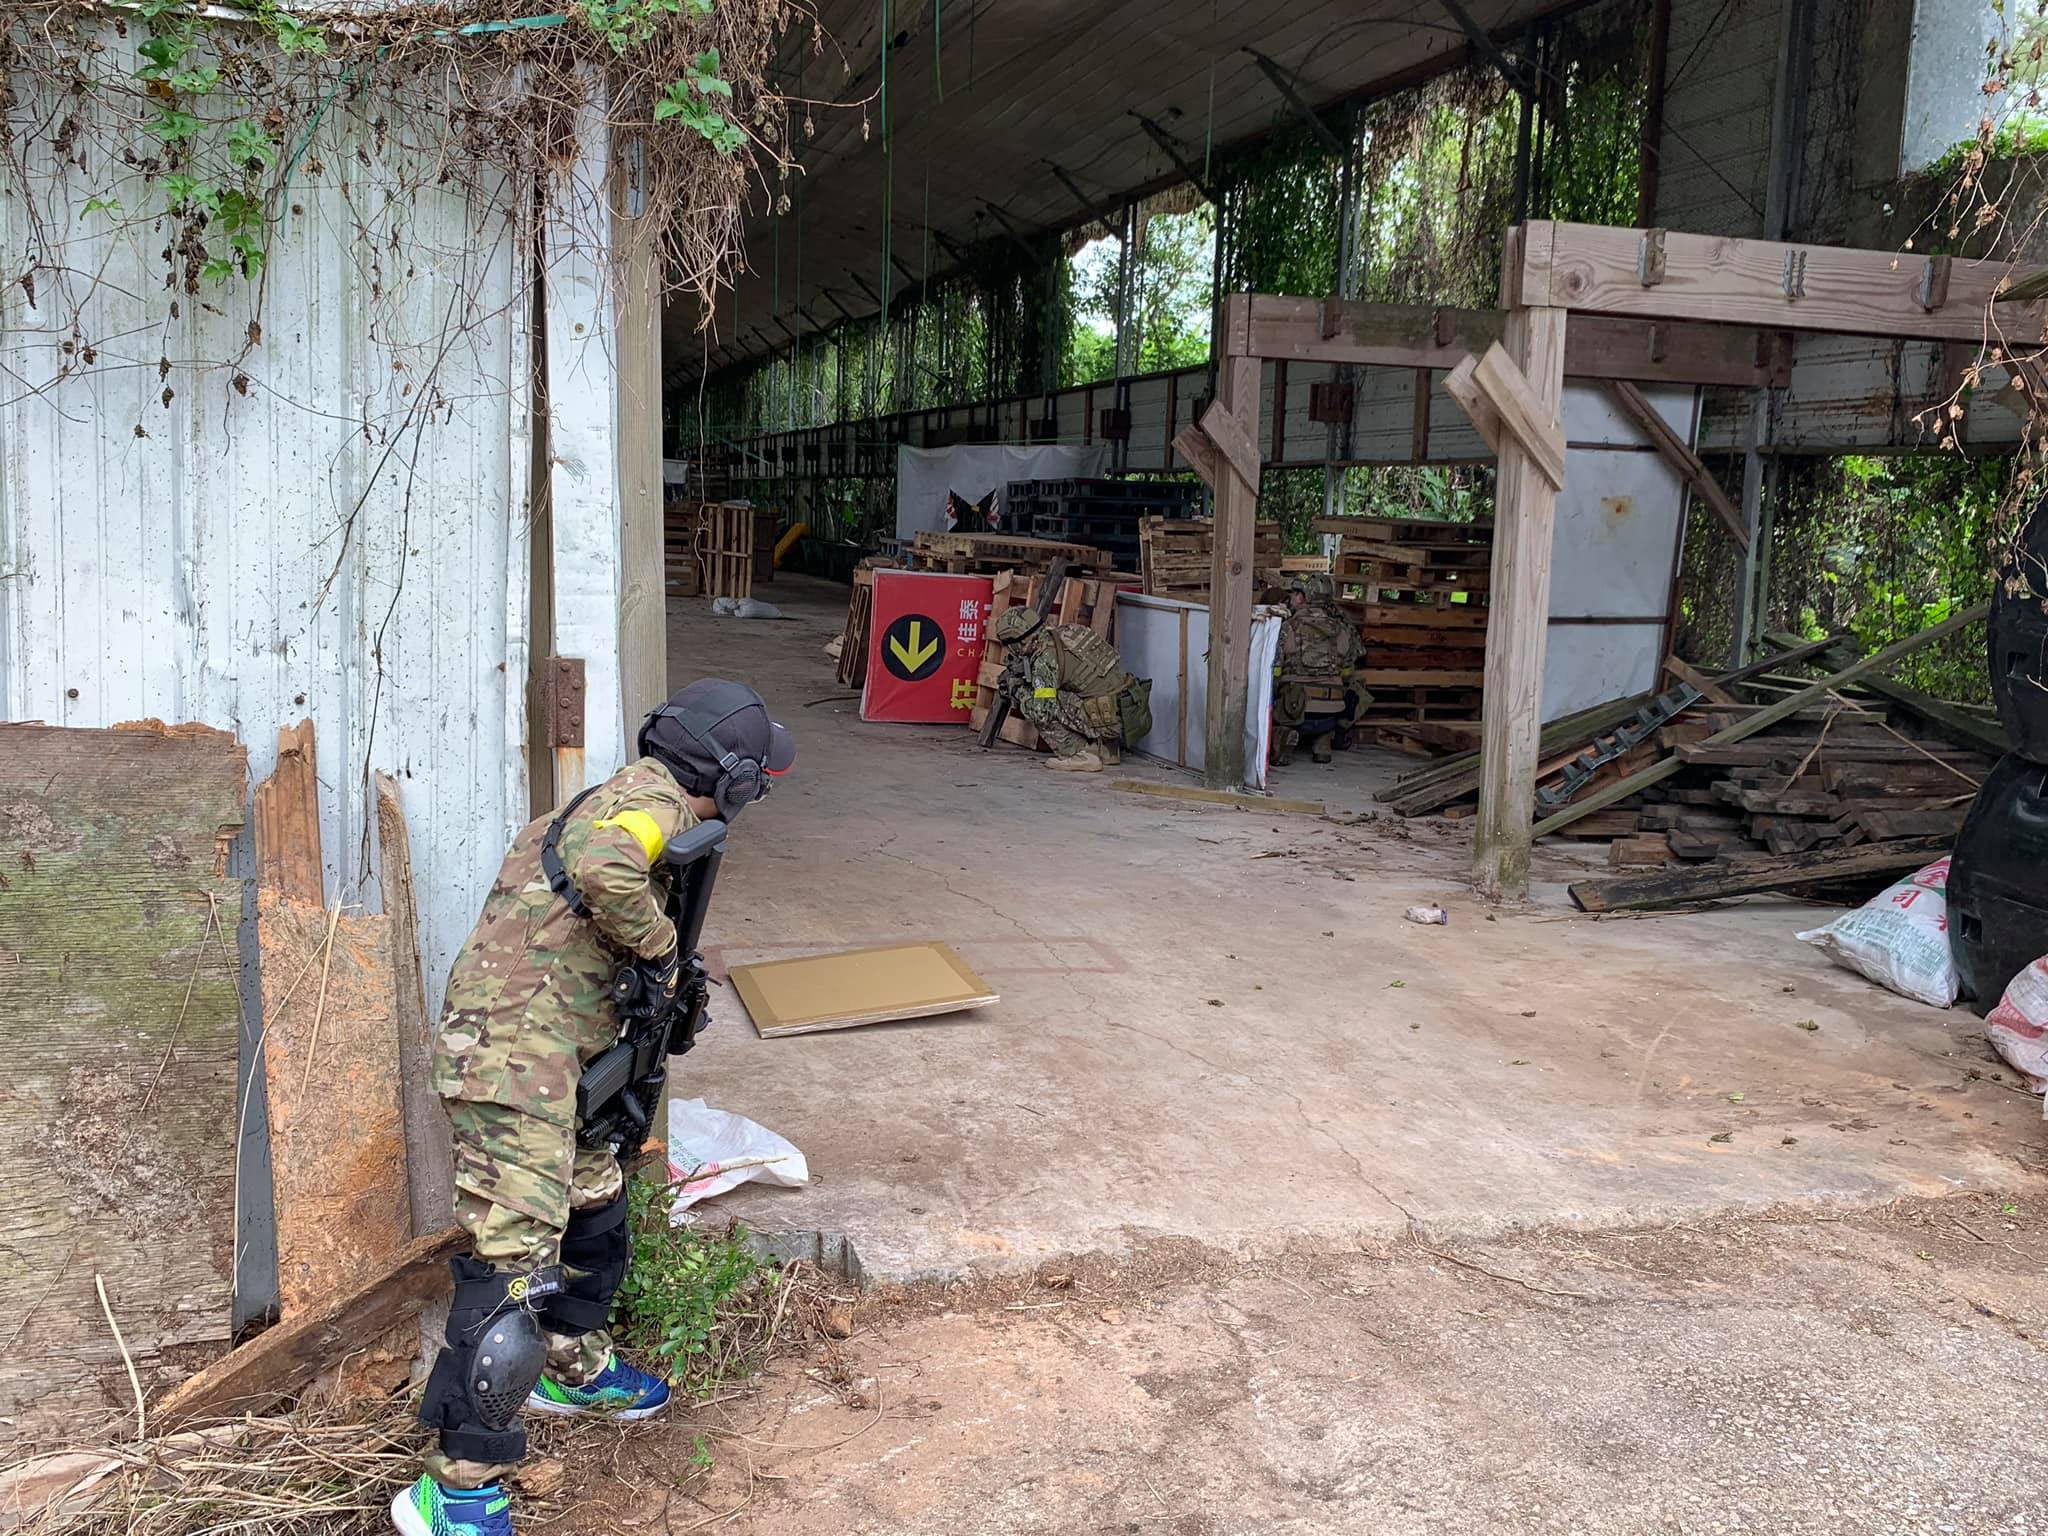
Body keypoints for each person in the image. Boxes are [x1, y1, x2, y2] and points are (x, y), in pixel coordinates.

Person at [390, 679, 794, 1536]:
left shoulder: (626, 794)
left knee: (597, 1208)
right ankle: (455, 1492)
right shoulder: (651, 809)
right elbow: (605, 866)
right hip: (512, 1065)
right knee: (515, 1273)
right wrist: (664, 953)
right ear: (732, 780)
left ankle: (572, 1367)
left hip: (553, 1061)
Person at [989, 606, 1152, 772]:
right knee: (1079, 692)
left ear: (1019, 643)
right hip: (1131, 710)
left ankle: (1079, 755)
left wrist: (1017, 689)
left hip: (1110, 720)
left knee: (1040, 707)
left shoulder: (1044, 659)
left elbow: (1042, 712)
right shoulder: (1067, 632)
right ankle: (1107, 750)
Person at [1271, 581, 1370, 766]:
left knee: (1273, 697)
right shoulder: (1343, 629)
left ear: (1303, 597)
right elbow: (1348, 670)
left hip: (1294, 711)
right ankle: (1324, 740)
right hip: (1332, 713)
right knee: (1355, 688)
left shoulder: (1288, 627)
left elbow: (1274, 669)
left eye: (1294, 594)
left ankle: (1283, 735)